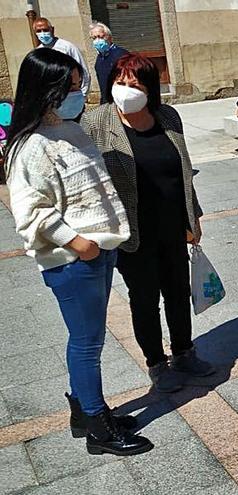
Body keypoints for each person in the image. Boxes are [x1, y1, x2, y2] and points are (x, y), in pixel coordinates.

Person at [4, 49, 152, 456]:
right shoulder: (30, 145)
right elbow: (30, 211)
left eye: (78, 85)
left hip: (100, 250)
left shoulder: (69, 129)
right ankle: (98, 428)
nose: (78, 94)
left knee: (90, 339)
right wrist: (76, 242)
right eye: (69, 87)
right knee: (86, 342)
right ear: (45, 88)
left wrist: (98, 244)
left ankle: (83, 411)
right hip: (73, 259)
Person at [82, 54, 214, 393]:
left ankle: (184, 351)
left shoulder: (168, 116)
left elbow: (184, 173)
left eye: (135, 84)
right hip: (131, 232)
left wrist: (193, 216)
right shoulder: (97, 122)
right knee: (144, 299)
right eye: (120, 82)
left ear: (150, 89)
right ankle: (157, 363)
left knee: (177, 292)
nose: (125, 91)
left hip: (171, 224)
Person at [33, 17, 90, 98]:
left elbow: (82, 71)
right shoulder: (38, 52)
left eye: (45, 30)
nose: (42, 33)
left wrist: (83, 94)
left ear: (52, 29)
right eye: (39, 31)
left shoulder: (67, 47)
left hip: (70, 95)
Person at [89, 21, 129, 104]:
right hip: (107, 102)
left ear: (109, 37)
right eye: (94, 38)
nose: (97, 40)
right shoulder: (100, 58)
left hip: (122, 101)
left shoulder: (121, 55)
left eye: (100, 37)